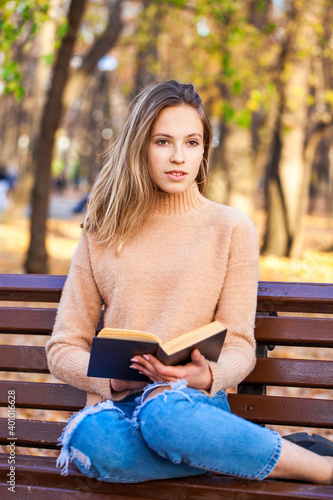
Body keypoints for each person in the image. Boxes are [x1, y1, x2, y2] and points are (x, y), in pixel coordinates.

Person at [46, 80, 333, 485]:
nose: (179, 156)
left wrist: (206, 377)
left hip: (190, 408)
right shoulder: (102, 230)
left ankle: (322, 470)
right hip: (118, 410)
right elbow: (62, 347)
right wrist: (113, 380)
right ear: (140, 146)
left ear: (204, 149)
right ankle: (244, 452)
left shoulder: (231, 228)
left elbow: (239, 345)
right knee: (91, 443)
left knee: (163, 416)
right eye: (163, 141)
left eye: (192, 142)